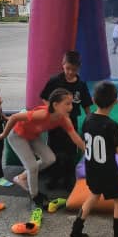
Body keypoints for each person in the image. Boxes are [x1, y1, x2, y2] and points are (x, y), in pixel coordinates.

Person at [70, 81, 118, 237]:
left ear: (93, 100)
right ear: (115, 101)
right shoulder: (111, 125)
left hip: (91, 167)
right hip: (108, 170)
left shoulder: (87, 120)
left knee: (94, 195)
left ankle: (76, 229)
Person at [0, 89, 85, 209]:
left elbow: (75, 137)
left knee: (50, 159)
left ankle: (21, 177)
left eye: (71, 103)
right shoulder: (43, 114)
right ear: (55, 105)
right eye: (67, 104)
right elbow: (15, 117)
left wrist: (87, 150)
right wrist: (3, 135)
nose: (71, 107)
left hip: (32, 136)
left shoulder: (63, 119)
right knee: (32, 166)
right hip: (17, 135)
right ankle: (35, 196)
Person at [40, 50, 92, 189]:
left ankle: (69, 179)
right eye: (67, 68)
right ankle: (54, 178)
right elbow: (44, 97)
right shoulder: (55, 81)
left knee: (70, 152)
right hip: (55, 123)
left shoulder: (81, 85)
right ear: (62, 65)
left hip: (71, 122)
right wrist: (53, 110)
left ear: (78, 68)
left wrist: (90, 119)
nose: (70, 72)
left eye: (73, 70)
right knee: (54, 151)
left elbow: (86, 105)